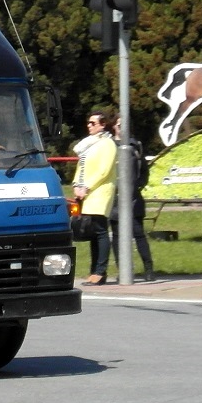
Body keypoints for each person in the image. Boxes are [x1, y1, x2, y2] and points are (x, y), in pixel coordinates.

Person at [72, 110, 117, 286]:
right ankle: (94, 271)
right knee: (93, 233)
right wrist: (76, 184)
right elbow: (81, 166)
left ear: (103, 124)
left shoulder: (107, 144)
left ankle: (100, 271)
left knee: (100, 231)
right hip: (86, 193)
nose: (89, 126)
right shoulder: (89, 145)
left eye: (93, 123)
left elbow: (104, 171)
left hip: (99, 192)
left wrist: (87, 187)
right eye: (88, 122)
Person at [109, 127, 156, 282]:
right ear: (113, 127)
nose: (121, 128)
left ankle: (149, 268)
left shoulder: (136, 146)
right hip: (114, 198)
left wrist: (137, 186)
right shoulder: (108, 146)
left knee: (139, 234)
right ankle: (123, 270)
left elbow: (144, 172)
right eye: (118, 124)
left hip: (133, 199)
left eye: (124, 124)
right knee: (116, 236)